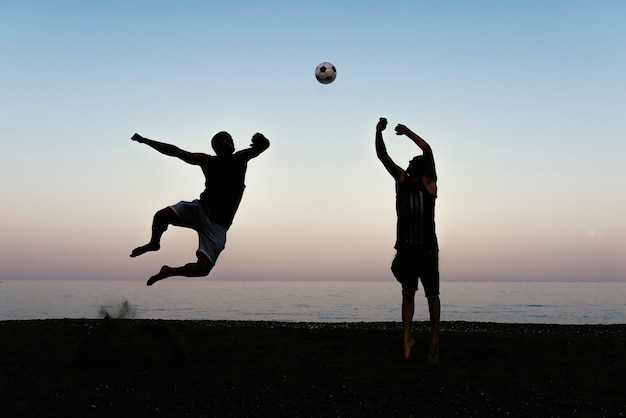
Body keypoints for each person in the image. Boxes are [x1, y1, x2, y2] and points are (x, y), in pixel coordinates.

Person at [130, 130, 270, 286]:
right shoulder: (207, 161)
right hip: (201, 210)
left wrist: (261, 139)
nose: (230, 141)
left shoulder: (240, 158)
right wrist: (145, 140)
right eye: (225, 139)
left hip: (219, 224)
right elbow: (175, 151)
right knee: (161, 216)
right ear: (216, 145)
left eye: (231, 139)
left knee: (203, 269)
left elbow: (262, 147)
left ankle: (169, 271)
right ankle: (154, 243)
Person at [375, 117, 440, 363]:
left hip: (422, 251)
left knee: (424, 295)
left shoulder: (426, 182)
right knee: (415, 294)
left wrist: (405, 131)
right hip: (416, 251)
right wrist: (378, 132)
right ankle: (410, 339)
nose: (410, 160)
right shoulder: (411, 181)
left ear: (420, 166)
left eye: (413, 160)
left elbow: (426, 150)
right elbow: (384, 156)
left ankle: (427, 339)